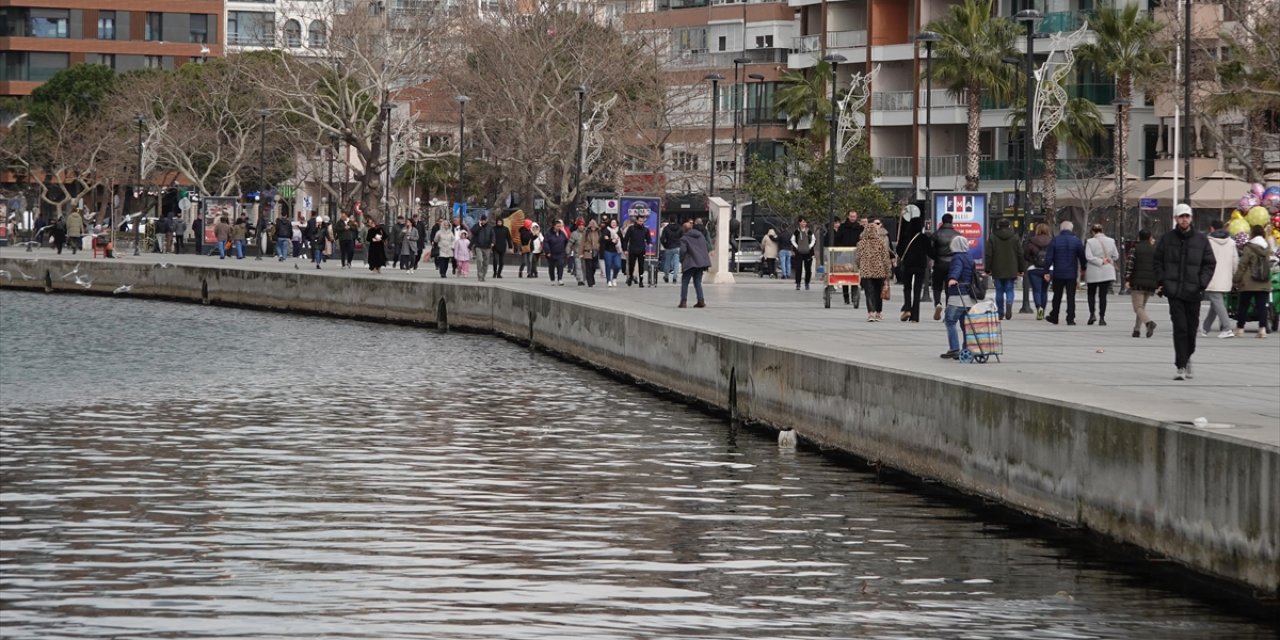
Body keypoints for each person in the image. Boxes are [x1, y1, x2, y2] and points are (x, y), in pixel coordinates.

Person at [1154, 203, 1215, 380]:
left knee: (1191, 329)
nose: (1184, 220)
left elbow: (1209, 263)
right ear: (1176, 219)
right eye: (1181, 216)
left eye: (1187, 216)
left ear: (1191, 218)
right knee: (1180, 328)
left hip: (1193, 291)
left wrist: (1201, 283)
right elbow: (1157, 261)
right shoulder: (1167, 239)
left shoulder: (1201, 240)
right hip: (1174, 292)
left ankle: (1187, 357)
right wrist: (1163, 281)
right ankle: (1180, 364)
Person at [1043, 220, 1086, 325]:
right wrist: (1083, 268)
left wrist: (1046, 270)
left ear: (1061, 229)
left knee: (1057, 295)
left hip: (1058, 273)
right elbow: (1082, 256)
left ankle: (1054, 316)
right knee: (1071, 296)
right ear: (1071, 229)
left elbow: (1049, 257)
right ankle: (1070, 318)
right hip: (1071, 273)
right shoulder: (1076, 241)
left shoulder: (1055, 240)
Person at [1201, 218, 1239, 338]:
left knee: (1217, 302)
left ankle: (1227, 328)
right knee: (1216, 302)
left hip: (1211, 276)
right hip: (1225, 277)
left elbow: (1202, 260)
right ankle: (1205, 328)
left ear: (1211, 228)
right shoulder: (1231, 242)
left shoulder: (1208, 241)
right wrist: (1234, 276)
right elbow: (1235, 261)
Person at [941, 235, 976, 359]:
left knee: (950, 321)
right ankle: (966, 347)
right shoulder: (969, 257)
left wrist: (952, 278)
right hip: (969, 296)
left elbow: (957, 269)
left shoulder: (957, 257)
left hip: (958, 295)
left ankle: (954, 348)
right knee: (965, 323)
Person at [1233, 225, 1272, 339]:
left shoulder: (1248, 247)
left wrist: (1236, 279)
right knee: (1262, 307)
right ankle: (1262, 329)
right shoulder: (1267, 247)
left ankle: (1240, 329)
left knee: (1243, 306)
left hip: (1248, 282)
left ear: (1252, 234)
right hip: (1264, 280)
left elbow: (1243, 265)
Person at [984, 218, 1025, 320]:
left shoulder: (993, 237)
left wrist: (987, 269)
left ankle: (1000, 312)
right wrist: (1021, 268)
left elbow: (989, 254)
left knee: (999, 291)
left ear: (998, 226)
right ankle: (1009, 302)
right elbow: (1020, 254)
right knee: (1009, 288)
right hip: (1011, 267)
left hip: (997, 267)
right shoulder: (1015, 238)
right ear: (1009, 226)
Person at [854, 218, 894, 321]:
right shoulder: (881, 243)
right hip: (879, 271)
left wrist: (860, 266)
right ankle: (878, 313)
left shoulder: (861, 244)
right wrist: (887, 272)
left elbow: (857, 258)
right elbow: (885, 259)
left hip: (866, 271)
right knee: (878, 293)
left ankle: (870, 313)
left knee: (869, 293)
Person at [896, 205, 929, 322]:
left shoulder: (905, 236)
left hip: (908, 265)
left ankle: (907, 308)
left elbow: (899, 250)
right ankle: (915, 316)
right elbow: (930, 251)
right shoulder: (924, 237)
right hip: (920, 266)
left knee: (907, 287)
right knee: (917, 289)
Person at [1125, 229, 1159, 338]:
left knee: (1137, 307)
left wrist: (1127, 278)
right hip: (1150, 283)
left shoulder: (1135, 248)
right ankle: (1136, 330)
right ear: (1150, 237)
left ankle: (1149, 323)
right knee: (1142, 307)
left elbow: (1130, 264)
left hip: (1137, 282)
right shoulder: (1154, 250)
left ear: (1139, 237)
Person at [1083, 224, 1119, 326]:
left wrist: (1099, 261)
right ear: (1102, 230)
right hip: (1107, 271)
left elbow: (1088, 256)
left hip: (1093, 271)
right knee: (1103, 295)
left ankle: (1092, 314)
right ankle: (1102, 318)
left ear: (1093, 232)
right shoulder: (1111, 241)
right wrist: (1107, 260)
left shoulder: (1090, 242)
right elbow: (1116, 256)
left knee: (1091, 294)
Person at [928, 213, 960, 319]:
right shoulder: (957, 235)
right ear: (952, 221)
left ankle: (938, 303)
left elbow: (931, 250)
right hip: (952, 264)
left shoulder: (936, 234)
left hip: (939, 263)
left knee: (937, 287)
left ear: (942, 221)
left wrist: (936, 257)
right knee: (949, 289)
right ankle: (948, 310)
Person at [833, 210, 864, 304]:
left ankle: (854, 296)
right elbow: (837, 239)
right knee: (845, 275)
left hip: (856, 254)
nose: (852, 218)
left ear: (856, 217)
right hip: (844, 254)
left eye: (854, 216)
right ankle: (846, 297)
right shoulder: (842, 227)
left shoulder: (859, 228)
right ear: (848, 216)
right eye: (851, 216)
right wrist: (839, 250)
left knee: (854, 275)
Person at [678, 220, 711, 308]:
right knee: (697, 282)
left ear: (684, 230)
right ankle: (701, 300)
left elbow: (683, 250)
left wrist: (681, 259)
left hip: (690, 262)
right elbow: (706, 247)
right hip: (701, 262)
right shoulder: (701, 236)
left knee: (685, 281)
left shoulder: (684, 238)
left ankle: (683, 301)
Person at [1023, 223, 1052, 320]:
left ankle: (1038, 307)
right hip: (1048, 269)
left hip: (1034, 269)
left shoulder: (1031, 241)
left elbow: (1026, 255)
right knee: (1044, 291)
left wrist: (1033, 260)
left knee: (1037, 290)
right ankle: (1043, 310)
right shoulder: (1052, 241)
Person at [791, 217, 816, 291]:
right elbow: (792, 240)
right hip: (799, 253)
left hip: (808, 253)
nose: (804, 223)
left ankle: (807, 283)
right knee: (798, 268)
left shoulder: (809, 231)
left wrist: (809, 247)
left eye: (805, 222)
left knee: (808, 269)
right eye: (802, 222)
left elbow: (814, 239)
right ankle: (798, 283)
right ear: (799, 223)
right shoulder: (797, 231)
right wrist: (797, 247)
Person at [624, 216, 650, 286]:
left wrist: (649, 243)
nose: (641, 222)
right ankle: (630, 277)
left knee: (641, 266)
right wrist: (625, 249)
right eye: (640, 221)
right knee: (631, 265)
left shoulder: (645, 230)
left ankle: (641, 281)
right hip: (632, 249)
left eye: (642, 221)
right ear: (637, 221)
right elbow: (626, 239)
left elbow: (648, 238)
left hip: (641, 250)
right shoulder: (631, 228)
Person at [543, 219, 569, 285]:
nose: (559, 228)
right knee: (551, 267)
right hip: (551, 253)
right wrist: (547, 251)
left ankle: (560, 279)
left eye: (560, 226)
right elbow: (545, 243)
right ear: (554, 226)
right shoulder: (548, 234)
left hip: (560, 253)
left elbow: (566, 241)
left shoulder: (562, 233)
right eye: (557, 226)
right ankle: (552, 279)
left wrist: (566, 250)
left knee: (560, 266)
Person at [470, 215, 493, 282]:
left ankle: (483, 276)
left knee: (486, 262)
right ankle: (480, 275)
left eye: (484, 220)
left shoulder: (490, 227)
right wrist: (479, 226)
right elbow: (473, 231)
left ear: (486, 220)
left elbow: (492, 236)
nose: (483, 221)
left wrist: (493, 242)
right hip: (479, 246)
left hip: (487, 247)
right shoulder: (477, 225)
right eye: (482, 220)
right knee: (479, 260)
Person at [601, 218, 623, 287]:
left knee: (618, 266)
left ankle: (614, 277)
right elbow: (604, 239)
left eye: (615, 222)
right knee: (608, 265)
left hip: (617, 251)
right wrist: (611, 240)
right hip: (608, 251)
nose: (614, 224)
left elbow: (622, 240)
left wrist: (624, 249)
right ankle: (609, 280)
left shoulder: (619, 231)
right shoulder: (607, 230)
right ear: (610, 223)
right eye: (612, 222)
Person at [579, 219, 600, 287]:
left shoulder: (598, 232)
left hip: (595, 252)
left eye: (594, 227)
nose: (593, 228)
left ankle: (592, 278)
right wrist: (581, 253)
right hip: (588, 252)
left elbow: (600, 241)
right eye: (592, 227)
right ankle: (590, 282)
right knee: (589, 267)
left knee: (594, 267)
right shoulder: (586, 233)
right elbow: (582, 243)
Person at [660, 217, 682, 282]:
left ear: (669, 220)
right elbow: (683, 237)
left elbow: (662, 239)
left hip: (669, 247)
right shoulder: (680, 228)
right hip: (677, 247)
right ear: (675, 220)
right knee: (676, 263)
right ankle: (675, 277)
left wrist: (665, 245)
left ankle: (666, 276)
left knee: (667, 262)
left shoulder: (666, 228)